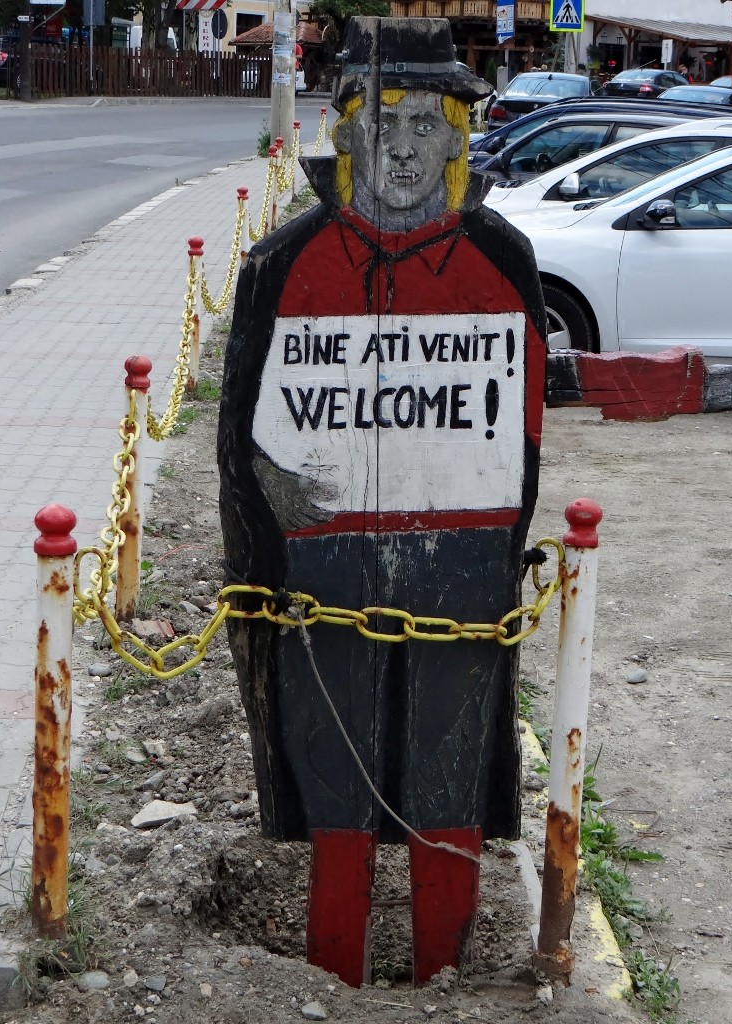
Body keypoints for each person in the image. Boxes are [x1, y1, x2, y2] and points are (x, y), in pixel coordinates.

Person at [219, 15, 547, 988]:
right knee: (336, 794)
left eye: (425, 123)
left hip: (463, 576)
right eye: (383, 121)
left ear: (457, 137)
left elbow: (518, 432)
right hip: (326, 580)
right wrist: (267, 487)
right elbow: (241, 425)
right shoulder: (283, 266)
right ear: (348, 130)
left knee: (447, 787)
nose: (401, 146)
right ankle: (336, 982)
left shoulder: (502, 261)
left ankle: (442, 980)